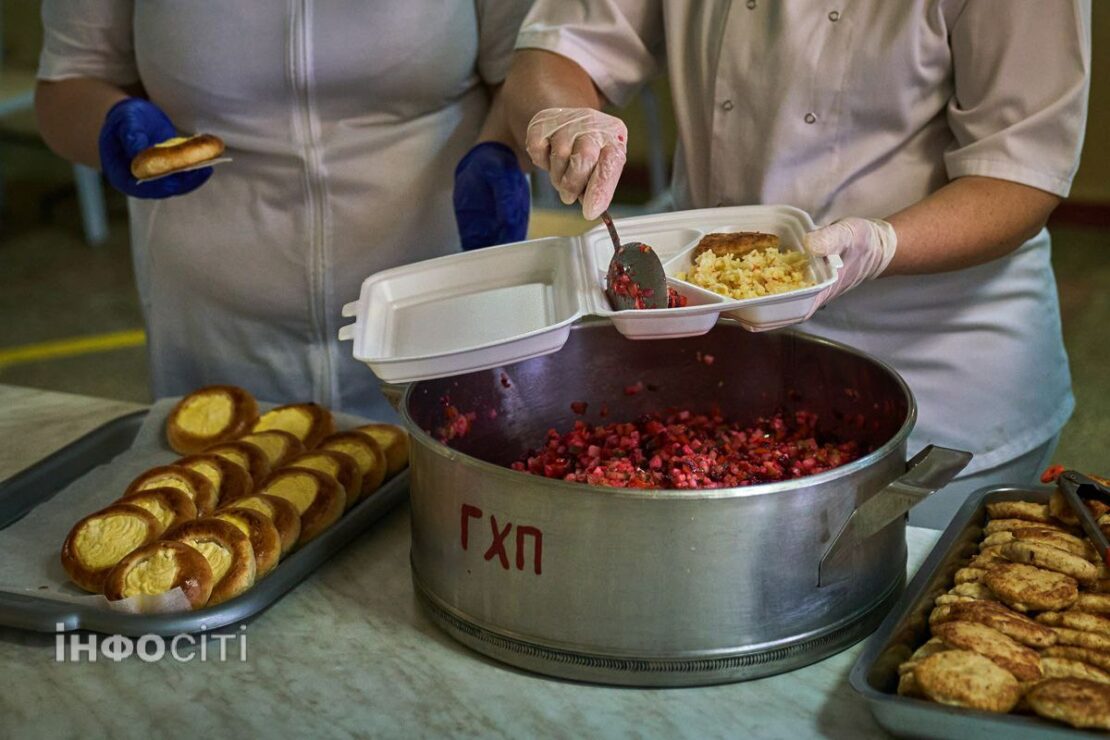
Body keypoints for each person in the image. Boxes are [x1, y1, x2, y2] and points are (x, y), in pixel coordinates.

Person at [457, 0, 1091, 527]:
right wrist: (564, 114)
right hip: (722, 354)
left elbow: (1019, 175)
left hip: (937, 370)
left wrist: (882, 243)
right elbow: (559, 47)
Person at [35, 1, 533, 421]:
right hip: (214, 314)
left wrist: (505, 148)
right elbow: (69, 81)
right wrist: (112, 129)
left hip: (427, 302)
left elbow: (534, 71)